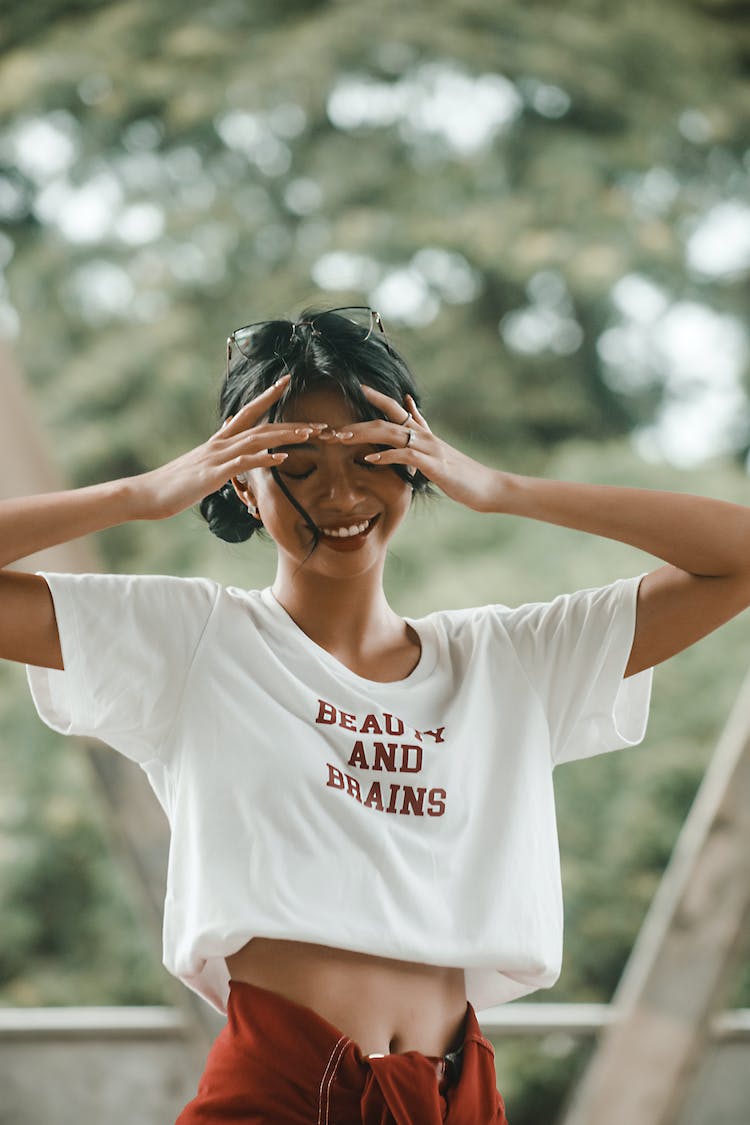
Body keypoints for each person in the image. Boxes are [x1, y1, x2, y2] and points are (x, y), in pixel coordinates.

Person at [3, 306, 750, 1124]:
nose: (340, 491)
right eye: (294, 460)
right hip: (283, 1090)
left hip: (456, 1097)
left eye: (371, 454)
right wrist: (143, 494)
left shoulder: (508, 658)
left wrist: (503, 489)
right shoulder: (195, 640)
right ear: (242, 485)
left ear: (416, 463)